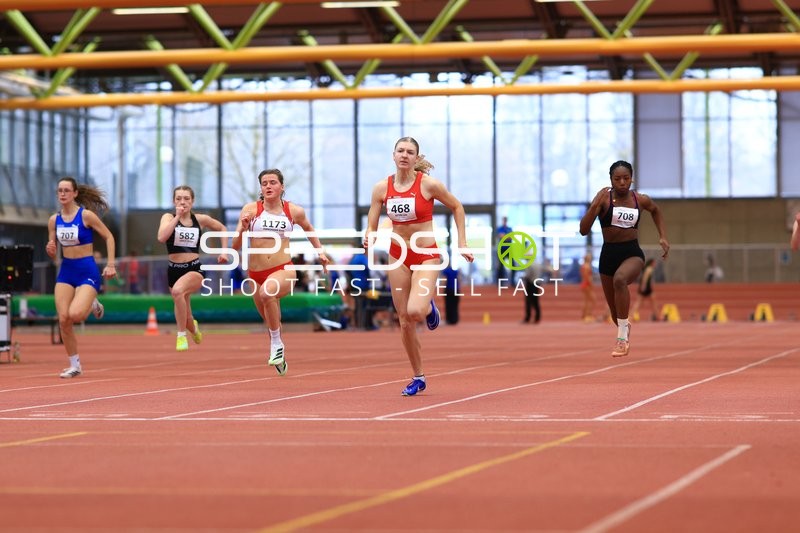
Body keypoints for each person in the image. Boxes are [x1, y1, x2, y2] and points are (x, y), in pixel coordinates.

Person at [364, 137, 474, 396]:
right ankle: (418, 376)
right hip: (397, 255)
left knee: (415, 311)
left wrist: (463, 242)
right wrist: (369, 233)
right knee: (404, 321)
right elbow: (373, 216)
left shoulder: (429, 185)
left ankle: (427, 305)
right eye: (400, 151)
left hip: (425, 254)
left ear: (416, 158)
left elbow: (457, 207)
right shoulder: (382, 188)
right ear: (393, 155)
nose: (404, 155)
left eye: (410, 152)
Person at [231, 169, 330, 375]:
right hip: (255, 273)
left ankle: (276, 345)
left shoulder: (293, 211)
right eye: (264, 183)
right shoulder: (250, 210)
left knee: (267, 293)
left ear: (281, 187)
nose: (268, 186)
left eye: (273, 182)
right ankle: (279, 350)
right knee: (269, 318)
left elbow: (309, 228)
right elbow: (235, 246)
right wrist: (242, 227)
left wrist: (320, 253)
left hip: (282, 269)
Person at [579, 160, 669, 357]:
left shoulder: (640, 200)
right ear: (610, 180)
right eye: (617, 179)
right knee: (615, 313)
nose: (622, 182)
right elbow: (583, 230)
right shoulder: (603, 200)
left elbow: (656, 210)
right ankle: (623, 327)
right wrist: (594, 205)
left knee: (620, 280)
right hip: (608, 255)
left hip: (632, 253)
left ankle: (621, 339)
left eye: (626, 178)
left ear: (632, 179)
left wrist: (662, 236)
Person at [45, 177, 117, 378]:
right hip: (67, 271)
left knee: (76, 315)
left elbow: (109, 236)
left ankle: (93, 303)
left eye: (66, 190)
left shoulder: (86, 216)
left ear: (75, 193)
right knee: (64, 319)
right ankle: (75, 365)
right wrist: (50, 248)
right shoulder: (54, 220)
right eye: (60, 190)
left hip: (87, 270)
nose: (62, 194)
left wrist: (110, 264)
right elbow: (52, 249)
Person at [157, 185, 228, 352]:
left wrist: (224, 251)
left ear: (193, 201)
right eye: (179, 198)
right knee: (186, 316)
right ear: (174, 201)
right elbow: (161, 237)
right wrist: (177, 218)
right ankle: (193, 328)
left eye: (186, 198)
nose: (183, 202)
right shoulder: (168, 217)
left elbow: (222, 228)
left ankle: (181, 335)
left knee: (177, 292)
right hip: (173, 270)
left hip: (194, 269)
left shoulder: (200, 219)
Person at [441, 259, 461, 325]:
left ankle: (449, 319)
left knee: (448, 305)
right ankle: (455, 319)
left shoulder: (445, 271)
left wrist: (442, 288)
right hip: (456, 289)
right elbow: (459, 279)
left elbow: (444, 280)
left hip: (449, 289)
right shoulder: (455, 271)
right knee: (455, 305)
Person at [495, 216, 513, 282]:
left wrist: (504, 236)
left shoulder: (509, 228)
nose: (504, 221)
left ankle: (512, 281)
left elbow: (510, 237)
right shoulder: (499, 228)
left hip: (509, 249)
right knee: (500, 267)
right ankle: (500, 282)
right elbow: (500, 236)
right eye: (504, 220)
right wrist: (507, 236)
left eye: (505, 220)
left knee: (513, 265)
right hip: (501, 250)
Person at [579, 252, 596, 322]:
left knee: (586, 301)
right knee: (592, 300)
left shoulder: (584, 266)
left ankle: (584, 316)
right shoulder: (587, 266)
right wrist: (591, 284)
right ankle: (588, 315)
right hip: (587, 284)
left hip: (584, 284)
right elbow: (587, 277)